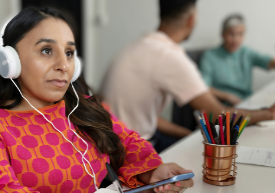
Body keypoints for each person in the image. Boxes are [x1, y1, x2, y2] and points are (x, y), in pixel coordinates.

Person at [0, 7, 194, 193]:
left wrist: (152, 174)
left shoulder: (82, 106)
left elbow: (127, 143)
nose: (63, 65)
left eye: (69, 53)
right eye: (46, 50)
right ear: (9, 61)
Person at [101, 0, 275, 153]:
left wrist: (188, 135)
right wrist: (269, 113)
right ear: (191, 19)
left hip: (109, 141)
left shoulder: (135, 46)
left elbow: (142, 118)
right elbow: (218, 116)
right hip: (131, 150)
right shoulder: (169, 55)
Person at [199, 14, 275, 104]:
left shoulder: (246, 52)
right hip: (223, 106)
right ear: (222, 34)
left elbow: (266, 61)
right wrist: (228, 97)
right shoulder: (210, 56)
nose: (236, 39)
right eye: (231, 34)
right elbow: (203, 87)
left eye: (240, 34)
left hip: (247, 101)